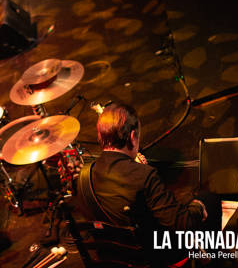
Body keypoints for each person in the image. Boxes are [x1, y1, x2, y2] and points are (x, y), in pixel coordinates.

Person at [80, 102, 221, 264]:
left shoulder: (84, 175)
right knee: (210, 199)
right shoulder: (144, 176)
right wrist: (198, 207)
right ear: (132, 137)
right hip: (152, 256)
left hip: (114, 255)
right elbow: (183, 224)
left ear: (101, 138)